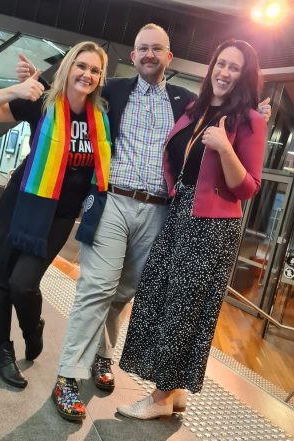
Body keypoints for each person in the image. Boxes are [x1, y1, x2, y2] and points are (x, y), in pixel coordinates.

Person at [17, 25, 270, 422]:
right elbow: (75, 93)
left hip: (161, 211)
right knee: (96, 288)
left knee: (125, 293)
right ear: (133, 56)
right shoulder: (113, 91)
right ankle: (68, 375)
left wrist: (255, 119)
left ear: (170, 57)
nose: (149, 54)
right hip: (114, 200)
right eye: (142, 49)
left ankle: (103, 355)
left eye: (158, 49)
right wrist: (36, 83)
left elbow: (238, 148)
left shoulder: (188, 101)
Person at [117, 39, 267, 420]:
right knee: (160, 297)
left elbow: (248, 187)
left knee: (183, 310)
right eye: (221, 63)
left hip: (211, 227)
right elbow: (178, 160)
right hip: (180, 212)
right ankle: (177, 387)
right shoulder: (194, 109)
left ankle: (160, 399)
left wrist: (225, 149)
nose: (225, 72)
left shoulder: (250, 120)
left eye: (234, 67)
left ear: (244, 75)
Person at [0, 41, 110, 392]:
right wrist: (15, 89)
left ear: (100, 76)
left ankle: (33, 329)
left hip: (61, 215)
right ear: (69, 67)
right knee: (2, 275)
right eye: (81, 65)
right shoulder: (44, 104)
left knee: (24, 282)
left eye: (95, 69)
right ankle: (3, 351)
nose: (87, 74)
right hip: (21, 200)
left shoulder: (101, 119)